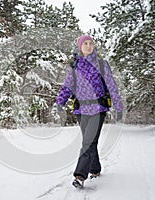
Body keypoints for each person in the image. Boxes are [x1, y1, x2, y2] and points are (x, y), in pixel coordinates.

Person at [56, 35, 124, 188]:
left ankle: (80, 176)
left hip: (98, 108)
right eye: (85, 43)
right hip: (80, 109)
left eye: (90, 43)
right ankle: (95, 168)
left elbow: (112, 86)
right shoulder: (75, 66)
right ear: (80, 47)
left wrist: (118, 107)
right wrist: (60, 101)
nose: (88, 46)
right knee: (90, 142)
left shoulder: (101, 64)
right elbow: (67, 86)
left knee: (88, 142)